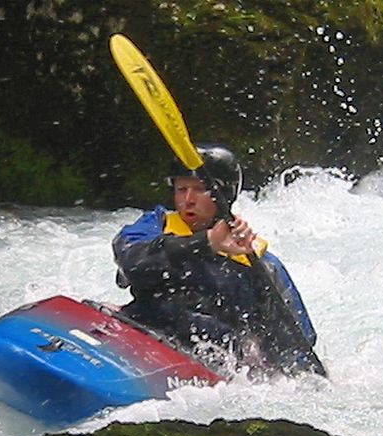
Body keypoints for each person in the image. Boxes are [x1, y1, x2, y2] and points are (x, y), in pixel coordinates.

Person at [112, 144, 322, 375]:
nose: (188, 200)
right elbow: (131, 260)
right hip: (143, 331)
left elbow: (294, 347)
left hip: (209, 362)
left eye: (199, 189)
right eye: (181, 189)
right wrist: (207, 243)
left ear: (224, 195)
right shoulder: (156, 225)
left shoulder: (261, 265)